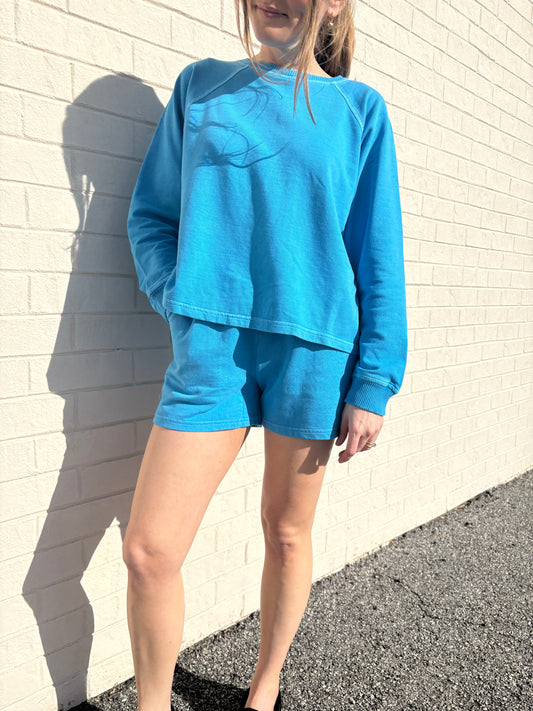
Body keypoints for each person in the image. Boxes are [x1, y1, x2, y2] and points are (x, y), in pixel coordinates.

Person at [122, 1, 408, 710]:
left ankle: (265, 688)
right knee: (149, 551)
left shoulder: (358, 110)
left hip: (314, 352)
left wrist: (373, 380)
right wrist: (177, 295)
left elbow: (378, 257)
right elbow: (151, 214)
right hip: (211, 348)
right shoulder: (201, 86)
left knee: (285, 532)